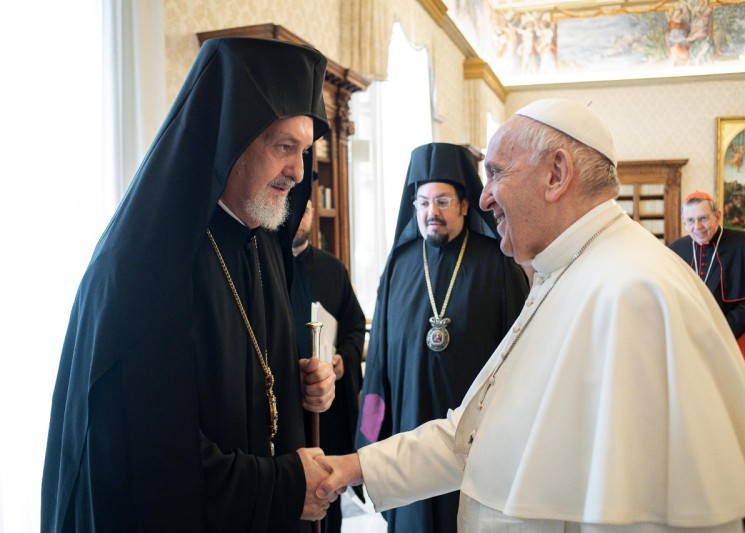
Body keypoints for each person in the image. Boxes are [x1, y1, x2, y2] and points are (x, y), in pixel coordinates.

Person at [317, 98, 745, 532]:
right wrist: (353, 467)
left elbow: (641, 508)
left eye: (497, 173)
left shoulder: (631, 292)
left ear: (556, 173)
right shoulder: (565, 270)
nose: (484, 198)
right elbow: (478, 435)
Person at [42, 38, 339, 532]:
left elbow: (249, 384)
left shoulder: (261, 243)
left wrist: (303, 380)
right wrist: (283, 487)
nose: (298, 171)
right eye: (284, 146)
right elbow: (148, 462)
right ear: (229, 139)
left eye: (305, 151)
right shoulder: (144, 268)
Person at [357, 142, 529, 532]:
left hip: (476, 447)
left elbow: (521, 360)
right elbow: (378, 366)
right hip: (407, 428)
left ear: (465, 205)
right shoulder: (399, 266)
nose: (431, 212)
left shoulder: (497, 263)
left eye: (442, 201)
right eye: (422, 202)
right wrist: (368, 439)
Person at [669, 190, 745, 526]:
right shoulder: (677, 250)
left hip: (734, 347)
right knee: (700, 425)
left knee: (738, 424)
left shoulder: (744, 244)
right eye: (690, 220)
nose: (697, 227)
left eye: (703, 218)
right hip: (694, 351)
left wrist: (716, 337)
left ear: (717, 216)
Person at [290, 199, 367, 533]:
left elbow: (354, 327)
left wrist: (341, 362)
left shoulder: (332, 268)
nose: (302, 215)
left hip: (329, 409)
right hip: (286, 407)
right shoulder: (264, 266)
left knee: (328, 493)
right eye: (296, 208)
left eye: (307, 208)